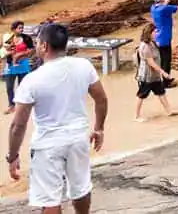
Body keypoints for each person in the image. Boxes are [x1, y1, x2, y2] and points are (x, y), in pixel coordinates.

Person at [7, 23, 108, 214]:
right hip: (78, 138)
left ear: (44, 46)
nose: (36, 46)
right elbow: (101, 98)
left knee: (50, 198)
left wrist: (12, 156)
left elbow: (17, 125)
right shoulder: (83, 66)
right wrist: (99, 128)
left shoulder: (32, 80)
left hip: (48, 144)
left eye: (37, 42)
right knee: (81, 187)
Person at [134, 24, 178, 123]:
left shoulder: (152, 43)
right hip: (147, 76)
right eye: (155, 32)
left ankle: (169, 111)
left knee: (161, 92)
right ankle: (136, 116)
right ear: (149, 33)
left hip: (155, 76)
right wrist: (163, 73)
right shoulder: (145, 47)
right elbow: (151, 63)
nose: (156, 33)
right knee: (141, 95)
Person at [150, 0, 178, 87]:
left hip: (157, 38)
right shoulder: (165, 9)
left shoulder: (154, 8)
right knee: (166, 61)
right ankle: (166, 82)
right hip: (164, 39)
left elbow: (164, 3)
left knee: (161, 60)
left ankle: (161, 79)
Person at [3, 21, 34, 114]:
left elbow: (32, 49)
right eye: (19, 28)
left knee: (22, 86)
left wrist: (24, 54)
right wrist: (7, 52)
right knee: (9, 87)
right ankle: (11, 106)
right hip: (10, 65)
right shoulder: (9, 39)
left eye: (22, 28)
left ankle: (21, 106)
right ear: (13, 29)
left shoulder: (26, 38)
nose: (21, 30)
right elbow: (4, 50)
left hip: (23, 65)